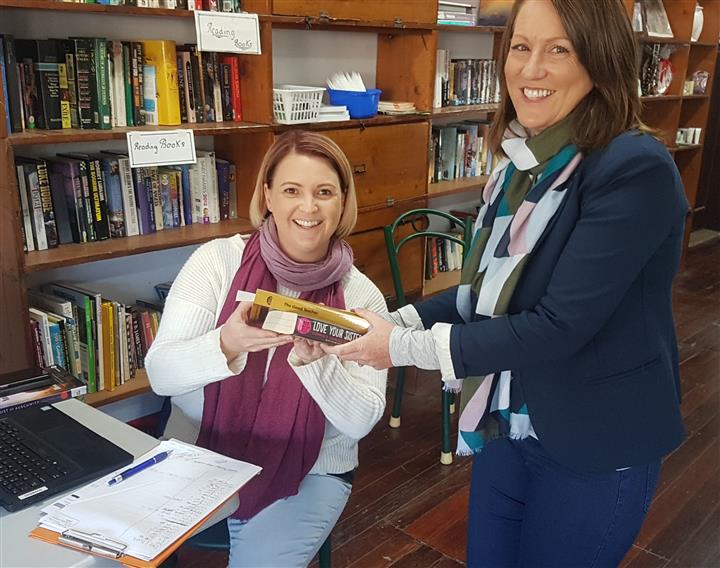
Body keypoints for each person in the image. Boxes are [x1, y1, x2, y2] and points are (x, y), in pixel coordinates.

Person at [324, 0, 688, 566]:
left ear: (601, 60)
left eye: (558, 50)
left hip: (595, 438)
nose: (530, 69)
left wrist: (398, 347)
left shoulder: (633, 167)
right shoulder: (518, 164)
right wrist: (392, 323)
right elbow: (487, 297)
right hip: (507, 419)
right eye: (521, 47)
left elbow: (558, 325)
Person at [145, 130, 388, 567]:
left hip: (310, 468)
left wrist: (317, 368)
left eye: (324, 192)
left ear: (342, 202)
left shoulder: (362, 298)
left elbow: (361, 420)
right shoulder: (217, 261)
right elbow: (161, 374)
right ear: (268, 195)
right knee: (106, 550)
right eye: (292, 190)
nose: (309, 208)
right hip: (199, 450)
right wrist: (225, 343)